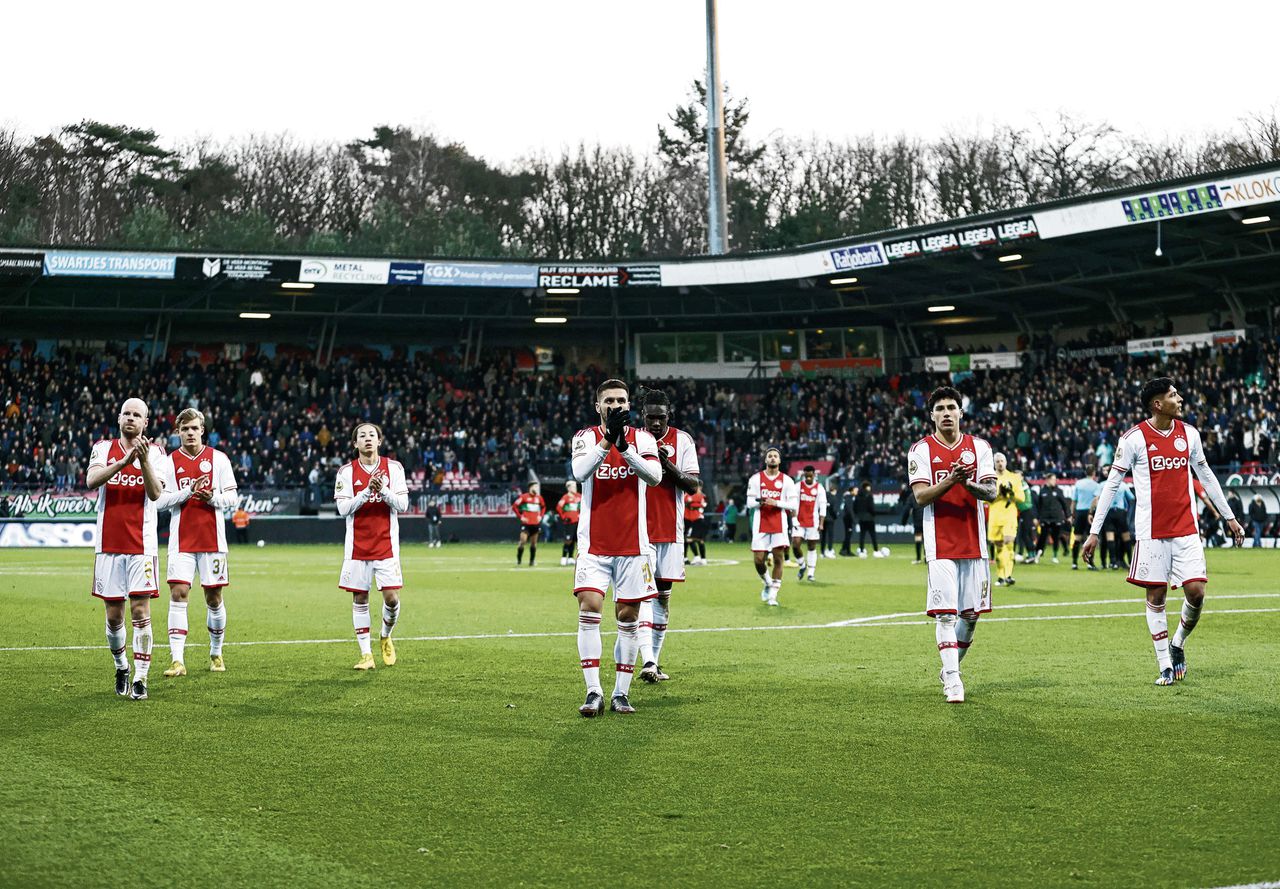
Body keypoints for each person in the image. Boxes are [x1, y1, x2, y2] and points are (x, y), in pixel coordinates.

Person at [1083, 378, 1243, 686]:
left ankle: (1178, 643)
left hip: (1186, 530)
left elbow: (1206, 475)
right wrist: (1094, 531)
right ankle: (1164, 665)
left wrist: (1229, 516)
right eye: (1173, 395)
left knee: (1196, 592)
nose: (1180, 399)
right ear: (1158, 404)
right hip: (1151, 533)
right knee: (1155, 596)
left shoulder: (1190, 434)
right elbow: (1112, 485)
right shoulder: (1133, 439)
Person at [87, 398, 191, 701]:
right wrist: (123, 461)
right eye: (127, 414)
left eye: (138, 415)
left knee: (140, 611)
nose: (131, 418)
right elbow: (92, 480)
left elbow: (156, 493)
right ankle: (121, 666)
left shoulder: (157, 454)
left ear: (146, 423)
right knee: (114, 616)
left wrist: (142, 460)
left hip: (141, 546)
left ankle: (141, 678)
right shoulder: (103, 449)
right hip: (108, 545)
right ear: (119, 419)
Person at [570, 378, 662, 716]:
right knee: (589, 608)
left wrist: (624, 449)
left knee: (629, 617)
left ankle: (620, 693)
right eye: (608, 400)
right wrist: (608, 440)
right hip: (594, 545)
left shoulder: (643, 438)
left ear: (628, 405)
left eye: (620, 400)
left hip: (634, 546)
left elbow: (654, 477)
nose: (615, 405)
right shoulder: (584, 437)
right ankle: (593, 690)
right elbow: (580, 472)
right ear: (598, 406)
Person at [907, 386, 997, 704]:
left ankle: (950, 668)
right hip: (940, 543)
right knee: (946, 615)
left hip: (975, 544)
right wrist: (950, 481)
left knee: (971, 617)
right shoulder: (920, 450)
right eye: (940, 408)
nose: (946, 413)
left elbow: (991, 492)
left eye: (951, 407)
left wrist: (967, 483)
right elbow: (920, 497)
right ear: (932, 415)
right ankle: (954, 682)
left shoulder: (980, 447)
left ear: (961, 412)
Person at [160, 408, 239, 678]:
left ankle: (216, 652)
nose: (190, 433)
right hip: (181, 542)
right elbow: (159, 501)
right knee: (178, 594)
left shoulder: (219, 460)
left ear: (202, 430)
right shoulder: (169, 462)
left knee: (214, 598)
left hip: (213, 541)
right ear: (178, 432)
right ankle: (177, 660)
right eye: (185, 429)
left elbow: (232, 498)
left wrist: (211, 497)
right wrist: (188, 492)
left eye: (194, 428)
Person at [334, 422, 409, 671]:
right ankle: (366, 654)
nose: (368, 439)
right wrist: (367, 492)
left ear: (379, 441)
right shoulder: (346, 472)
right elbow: (343, 509)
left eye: (372, 435)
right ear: (355, 443)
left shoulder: (394, 468)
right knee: (360, 597)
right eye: (362, 435)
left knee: (391, 598)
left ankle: (386, 635)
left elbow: (403, 505)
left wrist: (384, 491)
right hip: (357, 547)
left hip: (386, 545)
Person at [637, 388, 700, 683]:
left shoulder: (682, 440)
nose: (656, 424)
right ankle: (647, 660)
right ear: (642, 416)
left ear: (668, 415)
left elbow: (692, 485)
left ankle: (654, 662)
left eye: (660, 418)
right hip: (638, 532)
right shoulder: (631, 440)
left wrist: (666, 465)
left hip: (670, 531)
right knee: (644, 598)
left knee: (662, 598)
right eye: (650, 418)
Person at [746, 447, 798, 606]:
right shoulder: (755, 479)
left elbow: (794, 504)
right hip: (760, 524)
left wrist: (776, 502)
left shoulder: (787, 480)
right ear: (766, 460)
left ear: (780, 460)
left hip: (779, 524)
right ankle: (767, 582)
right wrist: (760, 501)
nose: (773, 458)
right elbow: (749, 503)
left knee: (778, 558)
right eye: (770, 456)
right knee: (759, 560)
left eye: (776, 456)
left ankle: (773, 596)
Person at [987, 453, 1024, 585]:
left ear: (1006, 462)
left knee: (1009, 543)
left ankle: (1008, 575)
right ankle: (1001, 576)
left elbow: (1021, 498)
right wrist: (998, 493)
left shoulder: (1014, 478)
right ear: (994, 463)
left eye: (1002, 461)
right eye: (997, 461)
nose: (1000, 463)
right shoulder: (990, 478)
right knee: (999, 547)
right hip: (995, 516)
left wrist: (1010, 493)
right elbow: (986, 499)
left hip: (1009, 516)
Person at [1091, 464, 1133, 570]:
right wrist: (1126, 508)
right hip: (1120, 512)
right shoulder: (1123, 485)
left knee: (1110, 537)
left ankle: (1113, 562)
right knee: (1126, 537)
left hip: (1108, 512)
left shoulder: (1102, 485)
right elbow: (1132, 498)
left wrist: (1092, 513)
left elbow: (1096, 499)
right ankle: (1131, 562)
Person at [792, 465, 828, 581]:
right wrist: (793, 518)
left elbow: (823, 506)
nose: (808, 477)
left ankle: (811, 573)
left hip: (813, 522)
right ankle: (802, 565)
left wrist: (821, 523)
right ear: (804, 474)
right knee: (796, 545)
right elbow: (793, 503)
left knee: (811, 547)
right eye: (806, 475)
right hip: (799, 521)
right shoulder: (797, 487)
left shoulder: (819, 488)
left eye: (810, 475)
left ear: (814, 474)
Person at [1071, 465, 1103, 570]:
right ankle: (1090, 563)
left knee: (1077, 538)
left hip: (1079, 512)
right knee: (1091, 538)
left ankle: (1074, 563)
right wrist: (1092, 512)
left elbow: (1074, 501)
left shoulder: (1078, 483)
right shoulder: (1096, 485)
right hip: (1090, 513)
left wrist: (1072, 514)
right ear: (1094, 473)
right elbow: (1095, 500)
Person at [1034, 472, 1069, 563]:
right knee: (1042, 537)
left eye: (1055, 479)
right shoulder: (1042, 491)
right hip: (1045, 518)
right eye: (1053, 479)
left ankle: (1055, 555)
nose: (1054, 481)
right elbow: (1038, 506)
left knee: (1056, 537)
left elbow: (1064, 504)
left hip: (1056, 518)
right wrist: (1037, 517)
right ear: (1048, 480)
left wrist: (1068, 515)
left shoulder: (1059, 491)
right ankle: (1038, 553)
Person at [511, 482, 545, 566]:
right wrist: (521, 516)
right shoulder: (524, 497)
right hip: (526, 523)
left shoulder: (539, 498)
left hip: (535, 523)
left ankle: (532, 561)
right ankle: (519, 560)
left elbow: (544, 507)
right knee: (523, 541)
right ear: (530, 487)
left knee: (533, 543)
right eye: (535, 487)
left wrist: (540, 516)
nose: (536, 489)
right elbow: (514, 506)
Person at [555, 481, 581, 565]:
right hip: (569, 522)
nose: (575, 488)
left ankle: (570, 557)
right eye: (573, 486)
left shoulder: (579, 497)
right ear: (568, 488)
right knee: (568, 540)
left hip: (578, 522)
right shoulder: (565, 497)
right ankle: (563, 557)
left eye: (575, 486)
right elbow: (559, 507)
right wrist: (564, 517)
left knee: (576, 540)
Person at [854, 479, 882, 558]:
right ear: (866, 487)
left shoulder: (857, 496)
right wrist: (873, 514)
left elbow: (855, 507)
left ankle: (862, 551)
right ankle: (876, 551)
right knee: (873, 535)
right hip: (869, 518)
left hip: (861, 518)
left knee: (862, 535)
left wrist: (858, 515)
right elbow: (871, 507)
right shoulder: (869, 495)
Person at [683, 482, 709, 565]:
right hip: (693, 519)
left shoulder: (693, 495)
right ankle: (702, 558)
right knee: (697, 540)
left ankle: (697, 557)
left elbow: (687, 501)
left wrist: (691, 505)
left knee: (690, 539)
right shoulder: (702, 496)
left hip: (696, 520)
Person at [821, 478, 840, 558]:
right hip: (830, 519)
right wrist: (835, 516)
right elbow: (834, 510)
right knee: (830, 536)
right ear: (835, 490)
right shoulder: (834, 498)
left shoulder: (825, 496)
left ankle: (822, 552)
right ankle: (829, 550)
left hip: (823, 518)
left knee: (823, 536)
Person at [839, 486, 856, 556]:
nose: (856, 492)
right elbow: (849, 510)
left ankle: (848, 550)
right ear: (851, 491)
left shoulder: (847, 497)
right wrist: (853, 518)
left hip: (847, 518)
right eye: (855, 490)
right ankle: (844, 550)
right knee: (848, 535)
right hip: (848, 518)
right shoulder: (849, 498)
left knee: (848, 534)